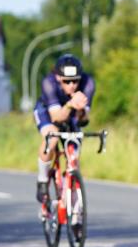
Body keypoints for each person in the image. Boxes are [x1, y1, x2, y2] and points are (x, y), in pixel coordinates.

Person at [33, 54, 95, 203]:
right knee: (52, 137)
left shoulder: (88, 84)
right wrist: (69, 104)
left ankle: (71, 197)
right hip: (48, 112)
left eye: (75, 81)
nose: (72, 85)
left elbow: (83, 121)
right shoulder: (48, 83)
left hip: (71, 112)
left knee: (74, 150)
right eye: (67, 81)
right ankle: (42, 180)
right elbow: (57, 117)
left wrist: (80, 110)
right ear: (58, 78)